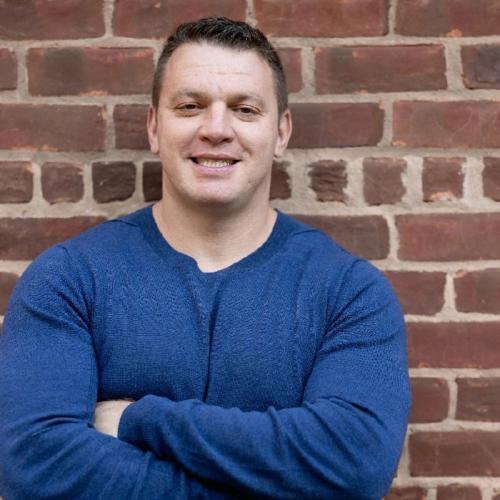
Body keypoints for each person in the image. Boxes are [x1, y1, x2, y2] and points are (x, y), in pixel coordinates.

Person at [0, 17, 410, 499]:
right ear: (154, 127)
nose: (216, 129)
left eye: (244, 110)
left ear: (280, 133)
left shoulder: (349, 293)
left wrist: (141, 419)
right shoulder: (69, 280)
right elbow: (35, 468)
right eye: (190, 106)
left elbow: (355, 466)